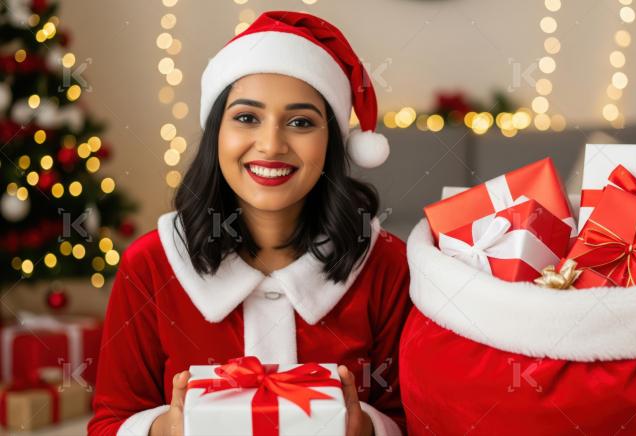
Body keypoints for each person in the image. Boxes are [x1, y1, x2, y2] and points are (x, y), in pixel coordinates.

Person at [87, 11, 409, 436]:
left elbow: (420, 420)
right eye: (246, 117)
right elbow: (109, 423)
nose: (272, 145)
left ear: (331, 139)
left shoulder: (385, 263)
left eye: (300, 122)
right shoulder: (152, 264)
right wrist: (164, 429)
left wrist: (369, 429)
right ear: (216, 132)